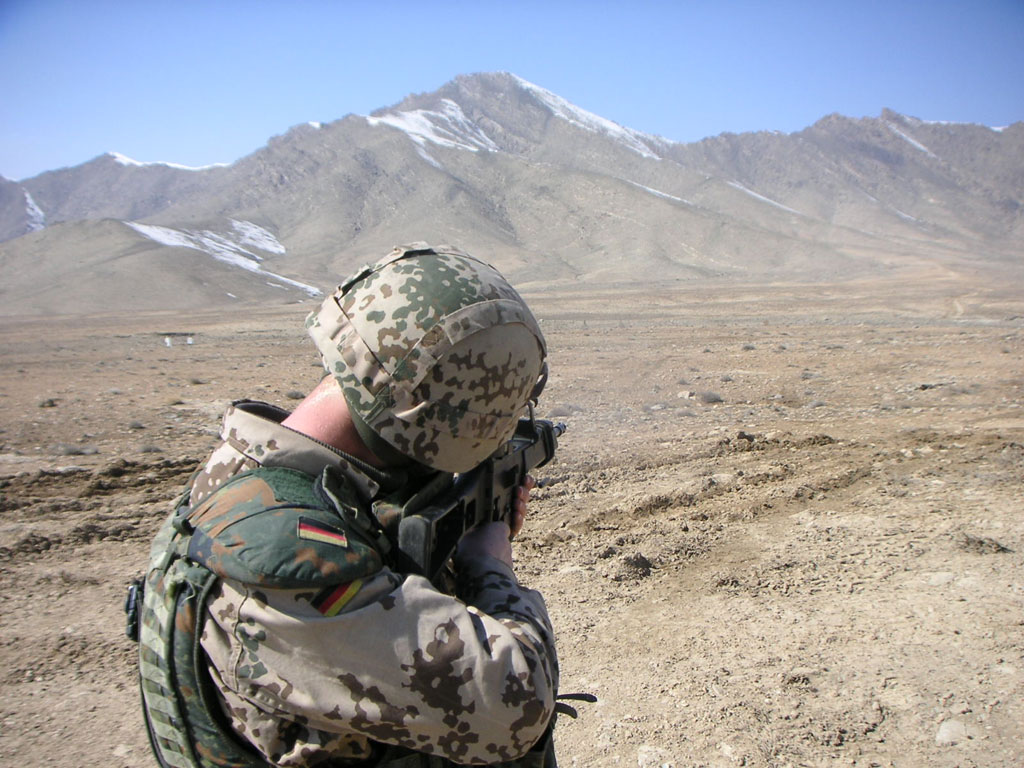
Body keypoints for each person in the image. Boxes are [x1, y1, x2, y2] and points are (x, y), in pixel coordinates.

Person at [130, 243, 559, 768]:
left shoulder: (250, 474)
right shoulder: (286, 558)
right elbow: (516, 706)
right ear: (446, 425)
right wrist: (489, 565)